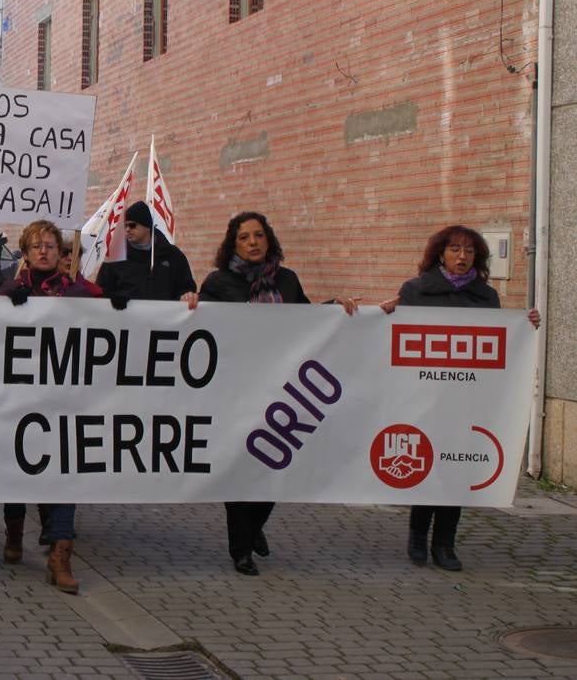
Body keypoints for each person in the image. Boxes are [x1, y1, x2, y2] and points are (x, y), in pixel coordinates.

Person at [184, 211, 358, 577]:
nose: (252, 242)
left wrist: (335, 308)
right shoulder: (219, 282)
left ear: (269, 240)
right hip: (237, 388)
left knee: (276, 460)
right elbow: (203, 324)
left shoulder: (287, 280)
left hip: (282, 387)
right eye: (244, 237)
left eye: (258, 235)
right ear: (233, 244)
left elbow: (307, 322)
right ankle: (240, 549)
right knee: (241, 466)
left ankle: (255, 526)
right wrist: (189, 301)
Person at [380, 225, 541, 571]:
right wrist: (383, 315)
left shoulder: (486, 297)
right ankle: (417, 537)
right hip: (424, 398)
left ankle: (445, 544)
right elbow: (392, 336)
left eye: (469, 251)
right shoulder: (414, 291)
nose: (462, 257)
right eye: (454, 249)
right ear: (440, 254)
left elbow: (503, 340)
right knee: (426, 467)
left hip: (466, 399)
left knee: (456, 470)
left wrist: (524, 325)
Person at [0, 219, 98, 594]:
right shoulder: (12, 291)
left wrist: (124, 309)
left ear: (61, 253)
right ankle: (13, 529)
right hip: (19, 399)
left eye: (51, 246)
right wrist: (8, 301)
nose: (44, 251)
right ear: (25, 253)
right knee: (16, 469)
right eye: (36, 246)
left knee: (64, 472)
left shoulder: (82, 293)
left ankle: (61, 554)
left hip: (65, 402)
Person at [96, 201, 197, 303]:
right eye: (125, 226)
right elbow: (101, 291)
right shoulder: (115, 256)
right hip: (125, 317)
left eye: (132, 225)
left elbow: (187, 289)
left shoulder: (173, 255)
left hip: (164, 317)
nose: (127, 229)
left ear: (147, 226)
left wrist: (186, 297)